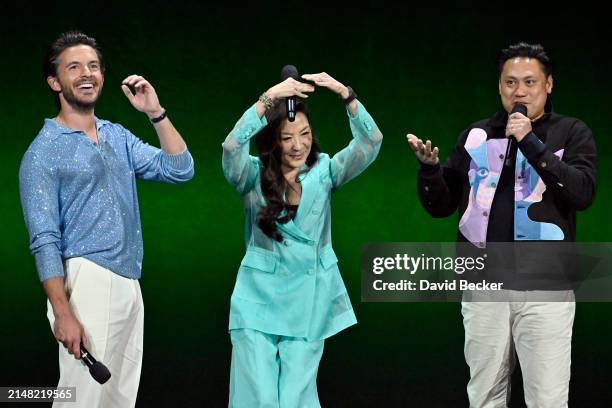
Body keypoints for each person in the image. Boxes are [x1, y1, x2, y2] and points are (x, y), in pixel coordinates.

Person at [405, 42, 597, 407]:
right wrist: (430, 171)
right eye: (510, 83)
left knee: (548, 398)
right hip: (484, 286)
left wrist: (530, 142)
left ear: (549, 85)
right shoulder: (476, 135)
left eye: (529, 82)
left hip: (546, 289)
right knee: (485, 395)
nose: (519, 92)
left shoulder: (571, 132)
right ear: (499, 86)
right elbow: (443, 205)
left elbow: (582, 192)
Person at [18, 31, 194, 407]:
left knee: (119, 399)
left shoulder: (117, 135)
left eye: (94, 66)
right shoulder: (42, 152)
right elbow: (44, 239)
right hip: (86, 280)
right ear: (54, 81)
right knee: (79, 399)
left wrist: (155, 113)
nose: (87, 73)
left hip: (131, 281)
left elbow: (180, 169)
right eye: (74, 67)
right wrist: (62, 312)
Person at [222, 71, 382, 407]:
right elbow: (232, 145)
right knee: (258, 398)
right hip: (256, 300)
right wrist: (267, 99)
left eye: (305, 134)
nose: (298, 145)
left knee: (296, 398)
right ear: (272, 140)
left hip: (309, 301)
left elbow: (370, 142)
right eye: (287, 137)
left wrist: (346, 95)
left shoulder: (325, 171)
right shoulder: (251, 174)